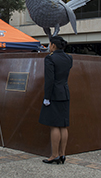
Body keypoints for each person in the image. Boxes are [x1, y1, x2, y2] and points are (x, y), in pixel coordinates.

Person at [39, 36, 73, 164]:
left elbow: (49, 80)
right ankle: (62, 154)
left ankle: (54, 155)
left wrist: (47, 97)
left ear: (53, 45)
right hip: (65, 92)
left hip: (54, 94)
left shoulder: (50, 58)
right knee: (63, 125)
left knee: (54, 126)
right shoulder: (69, 58)